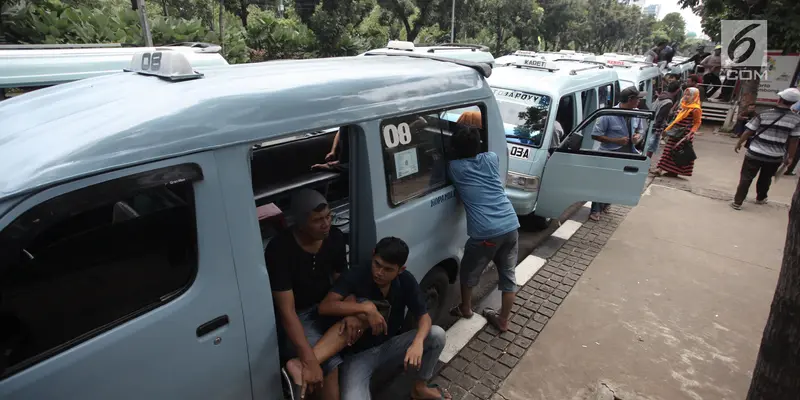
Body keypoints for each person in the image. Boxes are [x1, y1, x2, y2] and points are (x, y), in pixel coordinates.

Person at [318, 237, 451, 400]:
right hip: (358, 357)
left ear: (400, 270)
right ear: (373, 255)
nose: (379, 272)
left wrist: (417, 343)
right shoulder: (358, 274)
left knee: (436, 334)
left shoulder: (406, 280)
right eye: (377, 264)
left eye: (388, 269)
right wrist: (364, 308)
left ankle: (419, 388)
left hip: (390, 346)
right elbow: (325, 306)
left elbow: (424, 317)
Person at [266, 189, 351, 399]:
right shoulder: (280, 250)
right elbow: (287, 311)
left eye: (328, 217)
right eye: (317, 220)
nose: (326, 224)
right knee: (329, 365)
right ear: (300, 223)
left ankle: (300, 366)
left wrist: (350, 309)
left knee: (364, 315)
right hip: (299, 315)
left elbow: (344, 282)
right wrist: (310, 359)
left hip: (327, 304)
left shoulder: (335, 238)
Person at [446, 126, 520, 333]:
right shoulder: (491, 158)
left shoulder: (454, 168)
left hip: (486, 232)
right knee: (508, 276)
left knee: (469, 272)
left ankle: (466, 308)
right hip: (510, 223)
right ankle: (503, 320)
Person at [731, 88, 800, 210]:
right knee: (766, 178)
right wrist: (790, 157)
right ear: (793, 103)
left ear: (780, 99)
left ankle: (737, 202)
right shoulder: (796, 120)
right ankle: (760, 198)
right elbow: (794, 141)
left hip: (755, 152)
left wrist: (739, 143)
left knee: (746, 177)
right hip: (775, 156)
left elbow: (749, 131)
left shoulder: (764, 113)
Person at [589, 86, 647, 221]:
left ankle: (607, 203)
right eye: (637, 99)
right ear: (630, 99)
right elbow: (595, 135)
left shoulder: (637, 113)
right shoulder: (608, 114)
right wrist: (616, 140)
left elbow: (641, 130)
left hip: (628, 153)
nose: (639, 101)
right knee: (603, 182)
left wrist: (637, 137)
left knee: (617, 182)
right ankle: (595, 209)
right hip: (609, 154)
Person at [654, 88, 703, 178]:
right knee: (667, 150)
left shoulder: (696, 109)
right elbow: (675, 120)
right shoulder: (683, 106)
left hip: (685, 134)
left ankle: (673, 171)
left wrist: (690, 133)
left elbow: (697, 123)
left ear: (694, 96)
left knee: (678, 153)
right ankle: (659, 168)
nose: (686, 96)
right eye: (685, 94)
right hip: (675, 132)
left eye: (689, 95)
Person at [647, 81, 682, 160]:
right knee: (650, 147)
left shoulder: (661, 96)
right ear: (677, 91)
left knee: (648, 146)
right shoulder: (668, 102)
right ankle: (646, 164)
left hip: (650, 123)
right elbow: (661, 116)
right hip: (655, 127)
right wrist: (659, 129)